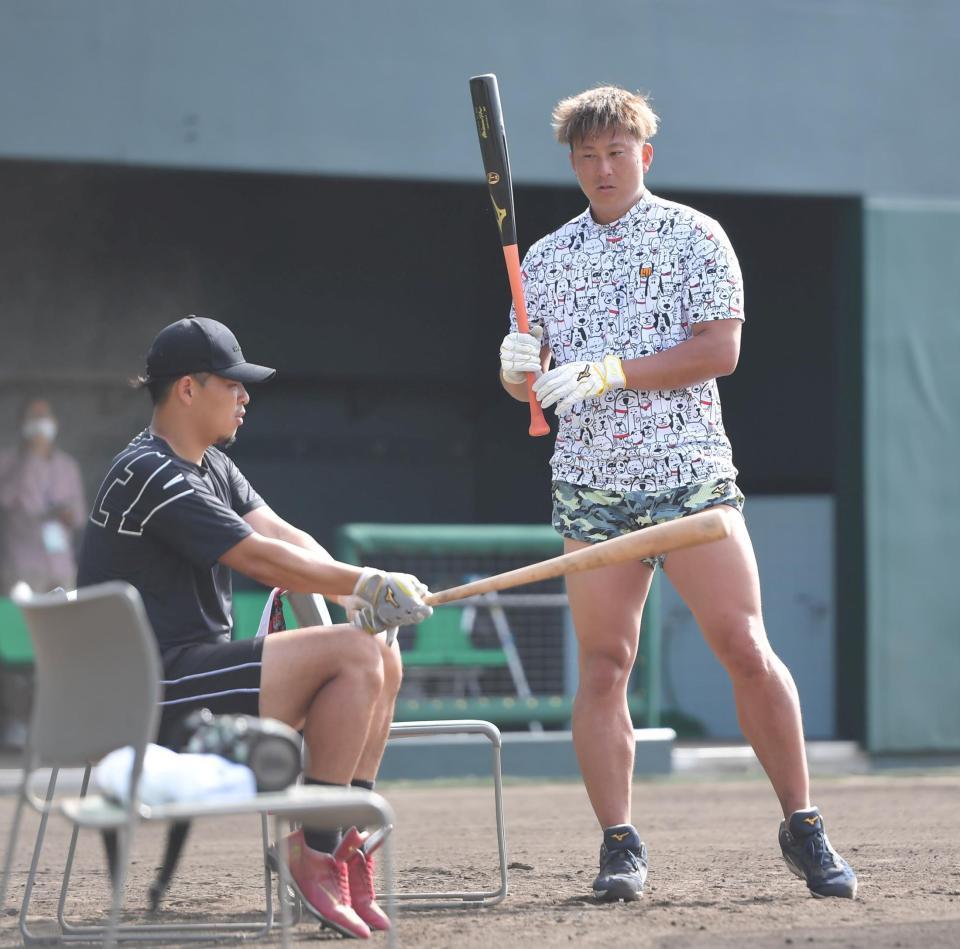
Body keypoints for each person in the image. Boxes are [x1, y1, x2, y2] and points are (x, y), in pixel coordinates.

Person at [497, 86, 857, 903]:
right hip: (590, 485)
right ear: (573, 164)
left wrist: (612, 371)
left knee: (745, 645)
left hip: (691, 477)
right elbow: (528, 382)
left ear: (644, 154)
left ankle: (803, 822)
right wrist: (515, 368)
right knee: (603, 666)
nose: (603, 168)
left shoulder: (696, 235)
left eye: (616, 152)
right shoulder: (546, 257)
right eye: (587, 157)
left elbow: (720, 350)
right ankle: (619, 843)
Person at [78, 315, 434, 939]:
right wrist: (363, 584)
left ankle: (341, 842)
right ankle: (315, 850)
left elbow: (284, 536)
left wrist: (360, 594)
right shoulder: (154, 471)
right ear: (188, 389)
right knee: (356, 655)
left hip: (185, 678)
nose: (245, 396)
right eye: (232, 383)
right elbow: (259, 557)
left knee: (380, 649)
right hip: (151, 700)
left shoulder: (209, 464)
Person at [0, 398, 85, 595]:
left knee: (65, 614)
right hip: (23, 564)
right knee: (21, 615)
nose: (40, 421)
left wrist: (66, 515)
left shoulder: (68, 465)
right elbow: (5, 500)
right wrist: (31, 456)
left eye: (44, 416)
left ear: (54, 422)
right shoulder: (7, 461)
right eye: (34, 416)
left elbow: (79, 517)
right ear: (22, 423)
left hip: (61, 564)